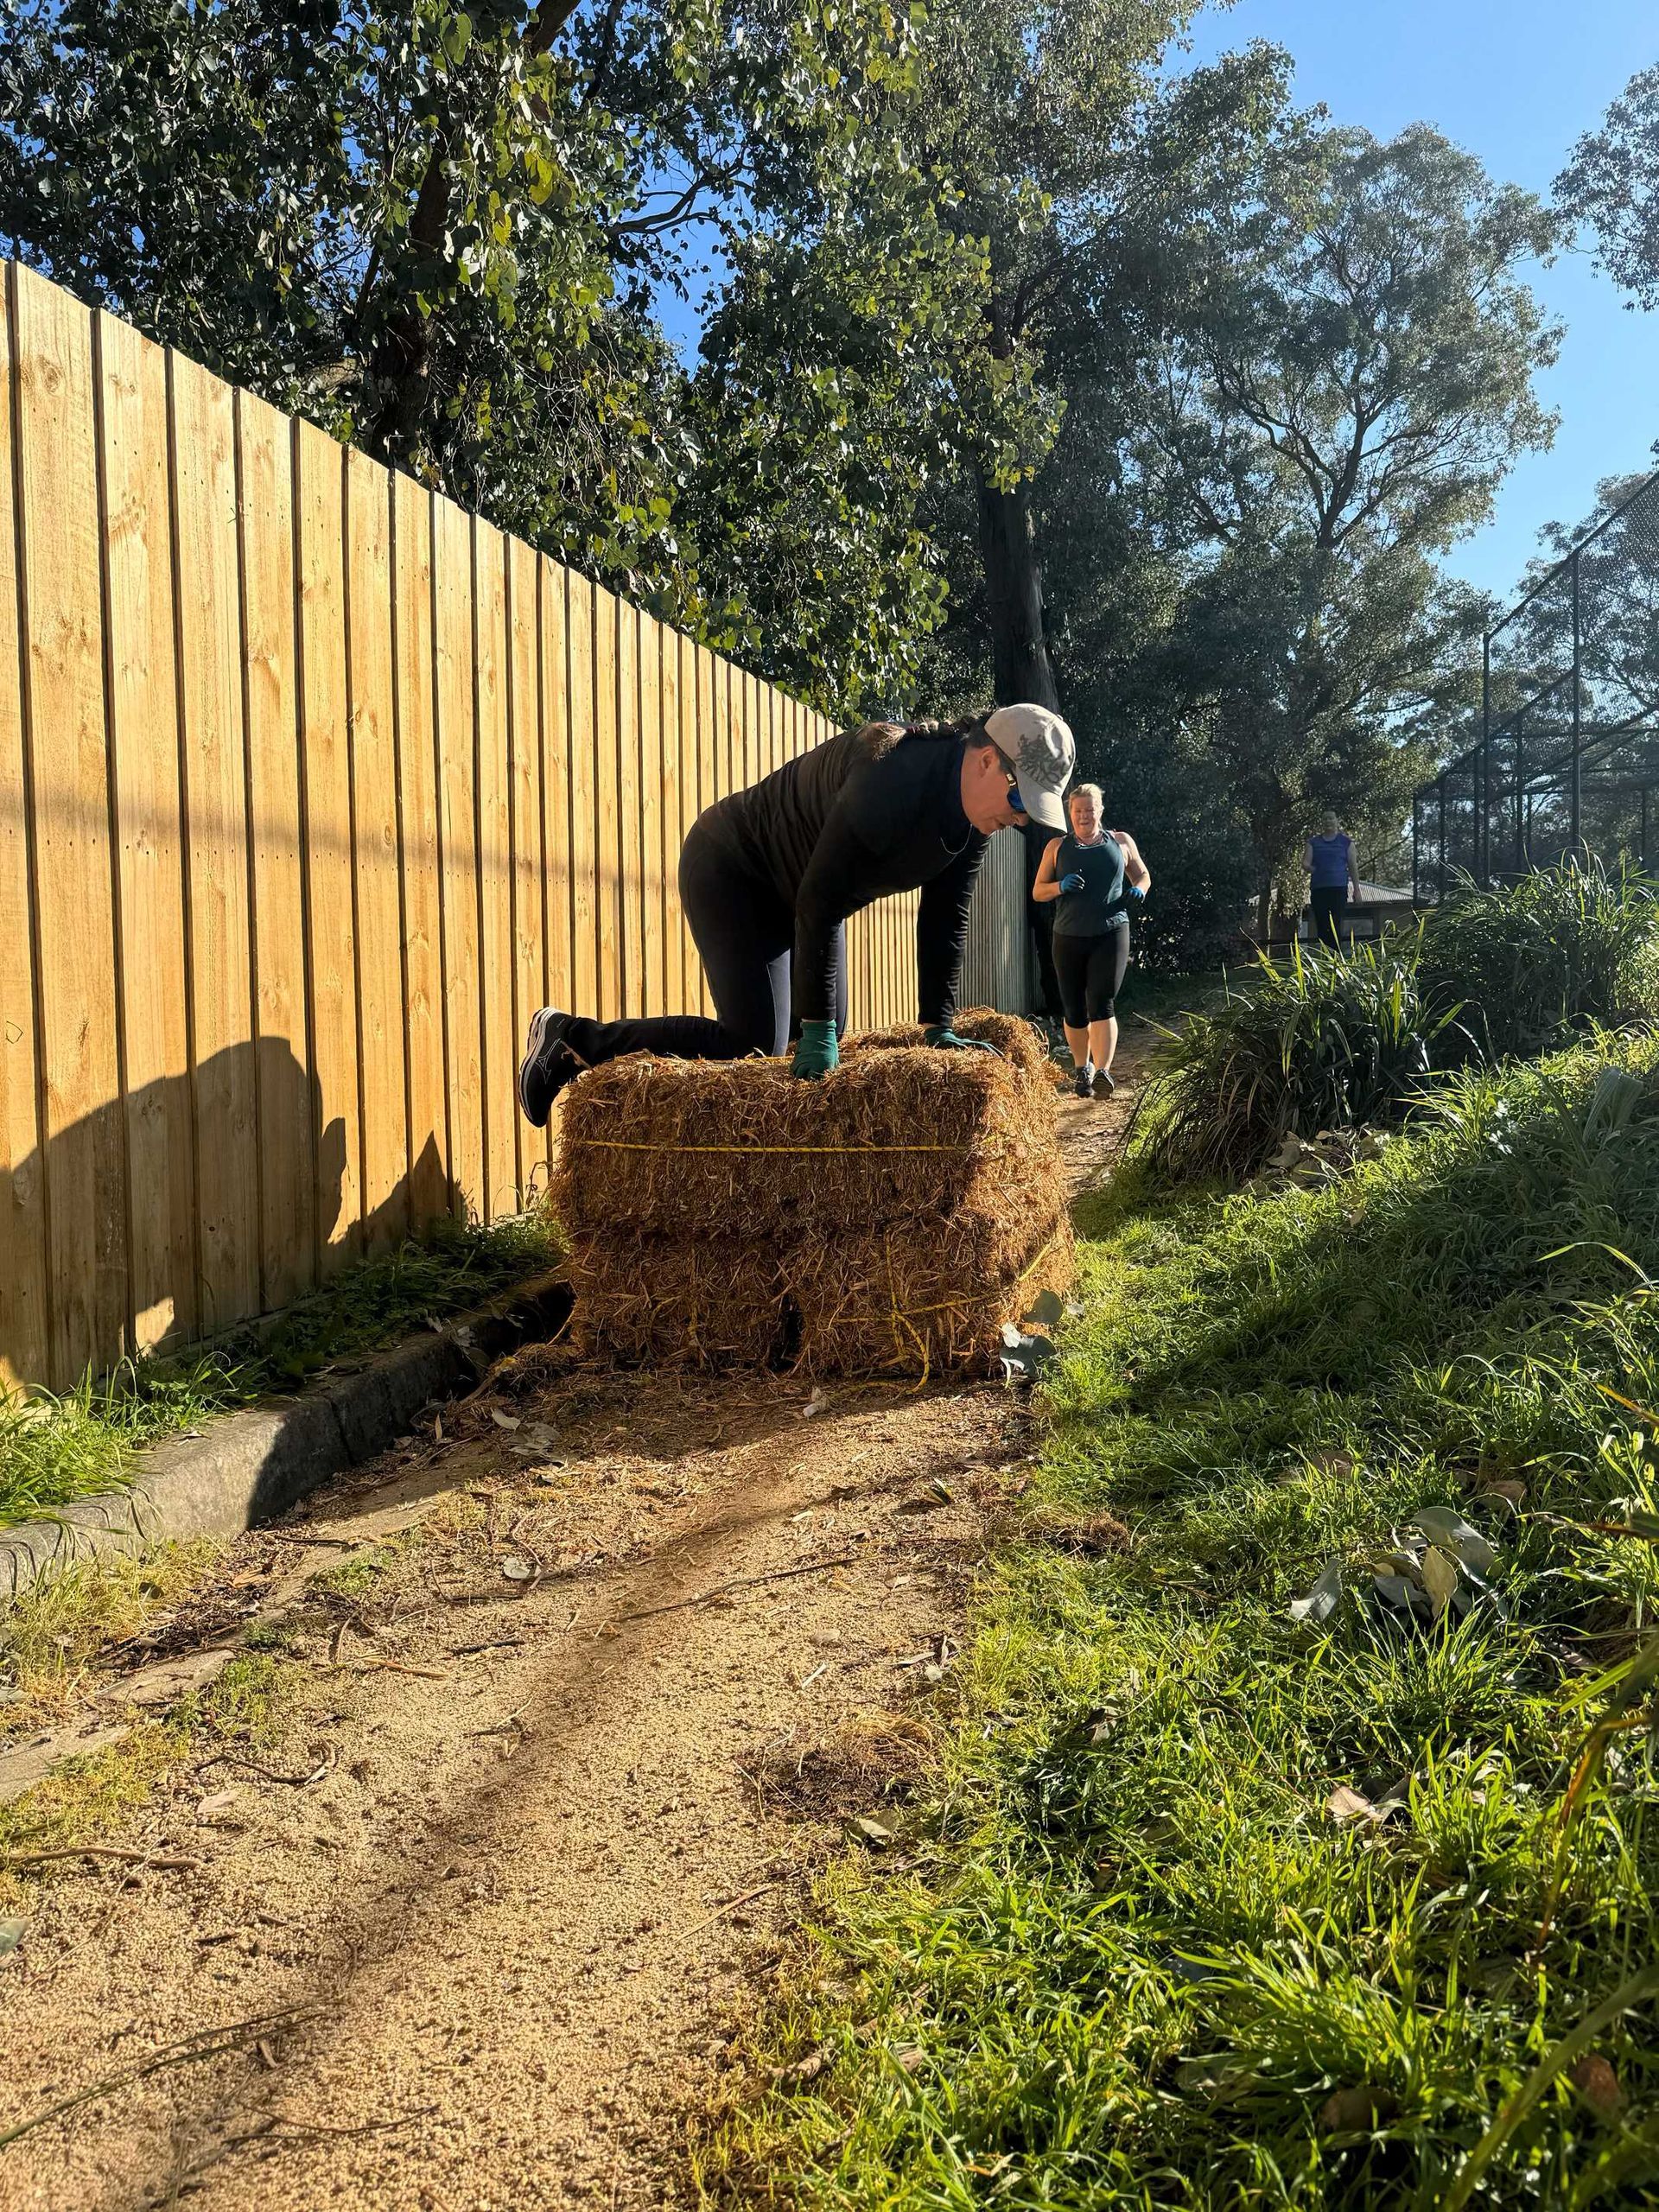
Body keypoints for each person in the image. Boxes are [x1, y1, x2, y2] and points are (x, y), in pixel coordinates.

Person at [516, 703, 1076, 1122]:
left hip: (806, 895)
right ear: (985, 761)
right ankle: (571, 1039)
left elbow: (945, 917)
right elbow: (822, 900)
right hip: (733, 868)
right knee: (757, 1043)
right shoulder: (890, 775)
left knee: (824, 1038)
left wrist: (938, 1026)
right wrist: (816, 1031)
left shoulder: (973, 822)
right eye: (1021, 800)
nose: (1022, 820)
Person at [1032, 783, 1149, 1099]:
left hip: (1110, 932)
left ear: (1100, 811)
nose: (1084, 816)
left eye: (1089, 810)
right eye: (1077, 811)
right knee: (1073, 1008)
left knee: (1102, 1002)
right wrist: (1060, 886)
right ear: (1070, 813)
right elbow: (1038, 891)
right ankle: (1082, 1067)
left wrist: (1140, 889)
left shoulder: (1120, 841)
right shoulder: (1057, 847)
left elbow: (1142, 875)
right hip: (1068, 936)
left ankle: (1103, 1071)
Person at [1306, 813, 1361, 949]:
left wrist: (1357, 889)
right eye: (1325, 818)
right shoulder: (1313, 843)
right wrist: (1314, 869)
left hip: (1338, 889)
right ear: (1322, 822)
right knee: (1322, 924)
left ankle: (1336, 959)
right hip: (1319, 889)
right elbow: (1305, 863)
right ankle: (1324, 959)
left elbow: (1353, 866)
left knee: (1335, 923)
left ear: (1337, 821)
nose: (1328, 821)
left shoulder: (1347, 843)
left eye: (1331, 818)